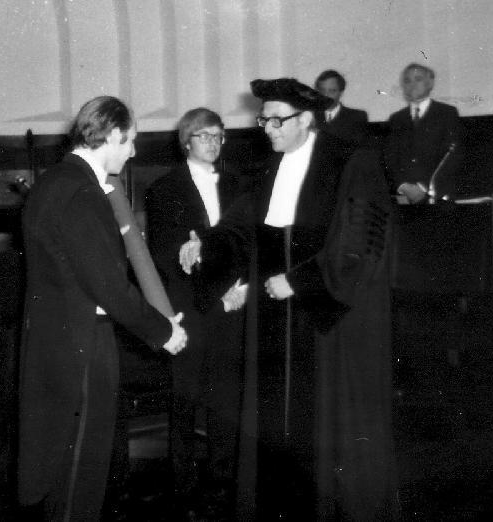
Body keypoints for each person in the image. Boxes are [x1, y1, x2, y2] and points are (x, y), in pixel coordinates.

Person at [179, 78, 398, 520]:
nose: (269, 130)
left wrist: (301, 281)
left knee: (326, 426)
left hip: (328, 319)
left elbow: (360, 242)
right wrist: (205, 245)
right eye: (264, 120)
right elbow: (241, 228)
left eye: (278, 121)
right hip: (276, 317)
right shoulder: (269, 167)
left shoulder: (350, 160)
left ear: (306, 119)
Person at [17, 95, 187, 521]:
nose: (133, 151)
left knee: (62, 468)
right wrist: (164, 331)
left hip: (55, 343)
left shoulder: (53, 182)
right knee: (81, 474)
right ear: (112, 135)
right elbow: (109, 286)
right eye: (129, 141)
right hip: (84, 349)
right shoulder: (83, 192)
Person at [145, 108, 247, 518]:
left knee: (226, 394)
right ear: (186, 141)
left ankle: (222, 477)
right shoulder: (164, 188)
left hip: (232, 302)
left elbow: (247, 241)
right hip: (189, 304)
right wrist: (194, 260)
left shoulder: (238, 184)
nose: (212, 143)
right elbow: (162, 252)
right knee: (185, 396)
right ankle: (183, 481)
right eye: (203, 136)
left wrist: (240, 286)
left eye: (218, 136)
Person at [384, 63, 464, 204]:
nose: (412, 84)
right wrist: (402, 186)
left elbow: (453, 156)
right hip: (403, 197)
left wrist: (423, 187)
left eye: (418, 79)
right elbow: (389, 159)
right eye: (407, 81)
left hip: (437, 195)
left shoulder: (447, 113)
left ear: (430, 83)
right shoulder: (396, 119)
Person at [314, 69, 369, 148]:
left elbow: (359, 149)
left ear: (341, 92)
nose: (326, 95)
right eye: (322, 91)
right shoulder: (309, 116)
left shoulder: (357, 117)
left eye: (332, 91)